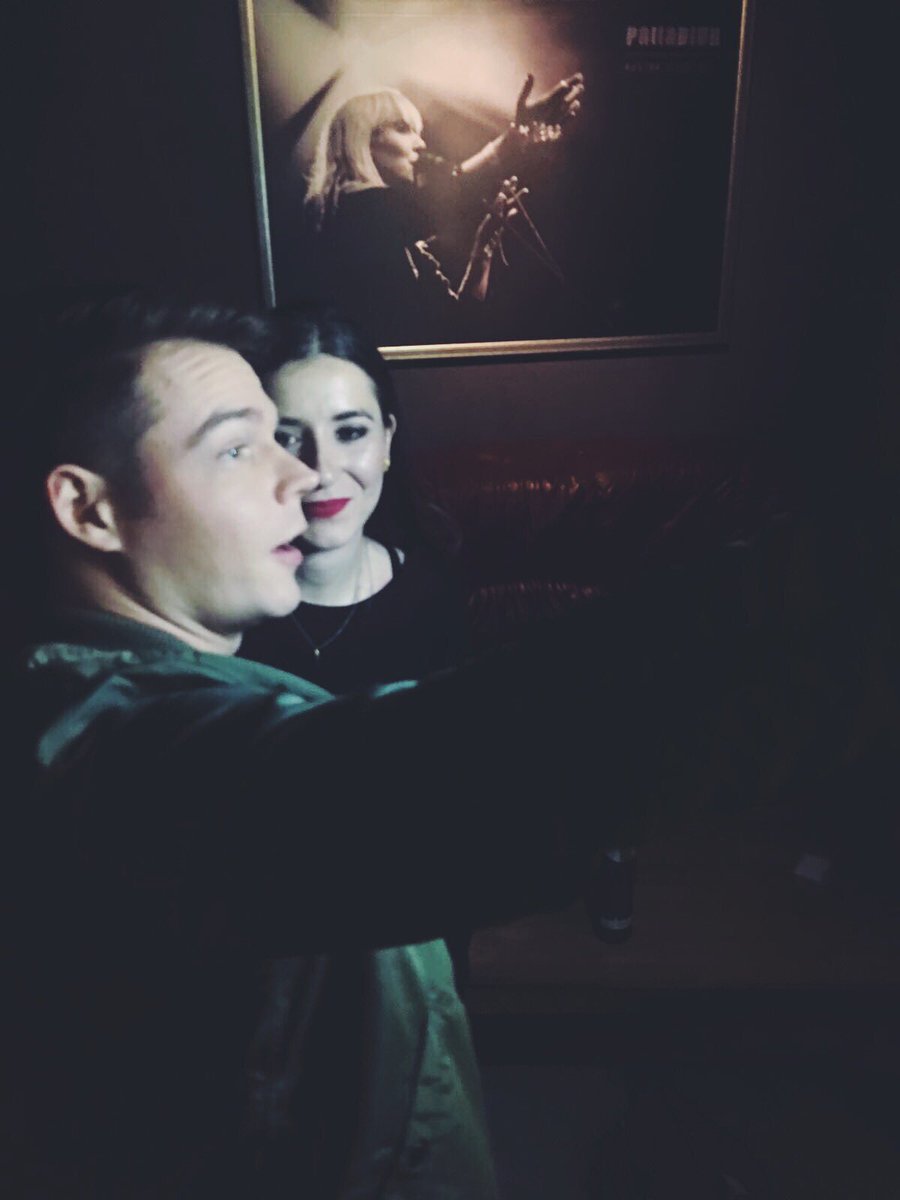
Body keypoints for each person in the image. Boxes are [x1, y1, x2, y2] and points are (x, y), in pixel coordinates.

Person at [4, 289, 655, 1197]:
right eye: (240, 447)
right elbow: (458, 781)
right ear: (91, 509)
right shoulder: (118, 753)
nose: (304, 479)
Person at [241, 307, 468, 693]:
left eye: (349, 433)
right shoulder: (215, 611)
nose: (322, 472)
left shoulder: (433, 591)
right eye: (285, 438)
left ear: (387, 440)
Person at [303, 75, 584, 344]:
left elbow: (458, 329)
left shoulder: (406, 246)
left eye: (418, 132)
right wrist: (509, 143)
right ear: (363, 137)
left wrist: (480, 257)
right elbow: (442, 202)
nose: (421, 144)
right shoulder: (354, 212)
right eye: (403, 129)